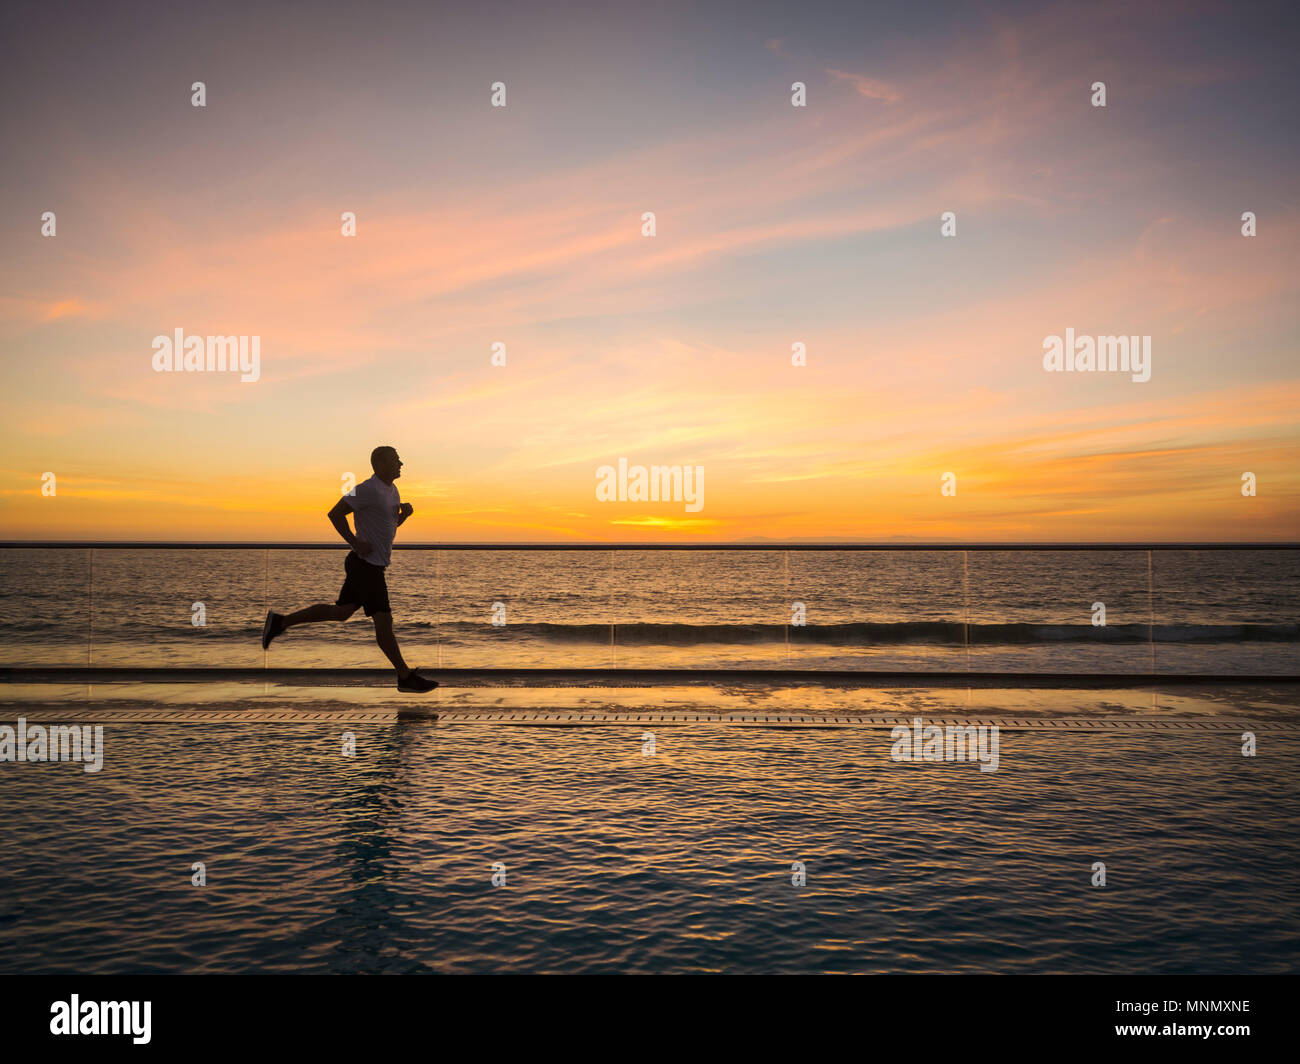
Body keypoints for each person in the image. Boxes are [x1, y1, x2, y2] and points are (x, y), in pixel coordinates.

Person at [261, 446, 438, 692]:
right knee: (384, 621)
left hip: (369, 566)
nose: (402, 463)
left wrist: (404, 516)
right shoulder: (367, 489)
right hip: (366, 567)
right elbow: (334, 514)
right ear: (381, 464)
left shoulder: (392, 490)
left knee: (341, 612)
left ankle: (280, 622)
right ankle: (405, 676)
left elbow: (386, 526)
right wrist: (355, 542)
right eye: (396, 460)